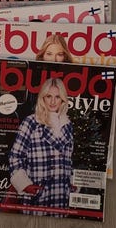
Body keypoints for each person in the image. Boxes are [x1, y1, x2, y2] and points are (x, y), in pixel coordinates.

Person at [8, 77, 73, 214]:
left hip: (61, 195)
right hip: (38, 195)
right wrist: (25, 184)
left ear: (63, 99)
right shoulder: (31, 122)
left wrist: (71, 182)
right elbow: (15, 156)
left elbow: (69, 159)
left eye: (57, 97)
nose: (53, 101)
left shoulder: (67, 125)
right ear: (42, 98)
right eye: (49, 96)